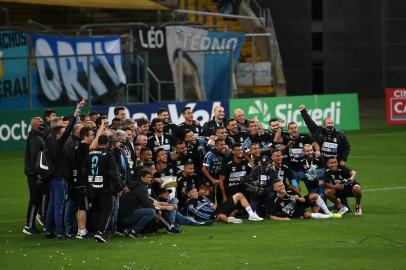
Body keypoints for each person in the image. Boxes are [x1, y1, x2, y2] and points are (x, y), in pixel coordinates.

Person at [84, 135, 123, 243]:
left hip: (92, 186)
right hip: (104, 187)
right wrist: (118, 188)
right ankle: (100, 232)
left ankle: (95, 230)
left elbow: (85, 170)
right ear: (107, 143)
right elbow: (113, 173)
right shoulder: (108, 154)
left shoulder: (90, 154)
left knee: (96, 210)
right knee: (106, 209)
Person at [185, 185, 263, 223]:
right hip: (213, 216)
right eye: (193, 192)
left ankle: (251, 215)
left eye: (196, 191)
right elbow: (199, 214)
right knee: (222, 216)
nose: (196, 193)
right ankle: (233, 219)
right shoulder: (190, 205)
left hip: (218, 210)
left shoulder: (203, 197)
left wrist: (215, 207)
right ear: (188, 195)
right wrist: (213, 217)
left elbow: (213, 206)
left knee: (239, 195)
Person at [269, 180, 342, 220]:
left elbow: (303, 199)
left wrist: (298, 198)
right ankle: (331, 216)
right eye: (279, 186)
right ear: (275, 189)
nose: (282, 187)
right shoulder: (274, 200)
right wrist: (283, 219)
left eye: (282, 185)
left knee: (315, 195)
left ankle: (328, 213)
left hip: (299, 203)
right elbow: (271, 216)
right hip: (293, 212)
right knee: (307, 215)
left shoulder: (289, 191)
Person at [23, 116, 47, 235]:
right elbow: (34, 158)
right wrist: (38, 175)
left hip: (35, 173)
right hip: (34, 174)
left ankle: (31, 224)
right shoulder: (34, 138)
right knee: (34, 199)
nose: (43, 123)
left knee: (37, 199)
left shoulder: (38, 136)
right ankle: (29, 226)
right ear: (35, 125)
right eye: (41, 122)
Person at [117, 169, 156, 238]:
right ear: (142, 178)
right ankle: (133, 231)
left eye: (151, 177)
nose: (150, 179)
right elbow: (146, 204)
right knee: (151, 212)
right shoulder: (141, 187)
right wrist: (157, 211)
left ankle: (128, 230)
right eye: (148, 177)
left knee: (147, 210)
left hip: (120, 215)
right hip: (125, 217)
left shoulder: (135, 185)